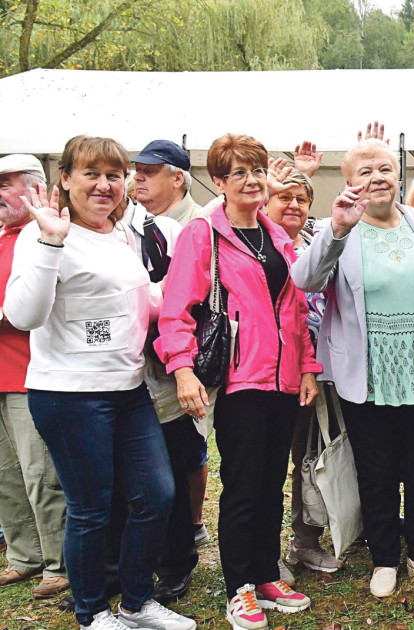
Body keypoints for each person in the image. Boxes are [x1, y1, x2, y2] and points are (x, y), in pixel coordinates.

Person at [5, 136, 194, 630]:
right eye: (91, 174)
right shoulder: (41, 235)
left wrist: (185, 296)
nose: (105, 185)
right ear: (64, 179)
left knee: (156, 495)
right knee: (91, 509)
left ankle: (136, 603)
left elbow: (135, 301)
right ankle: (91, 613)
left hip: (128, 390)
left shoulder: (121, 236)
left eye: (114, 175)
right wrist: (50, 241)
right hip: (69, 395)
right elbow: (24, 314)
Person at [157, 134, 320, 630]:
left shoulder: (276, 235)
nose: (251, 181)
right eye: (238, 173)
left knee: (274, 484)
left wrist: (308, 366)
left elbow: (293, 311)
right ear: (221, 182)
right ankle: (239, 588)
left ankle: (266, 573)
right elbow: (176, 310)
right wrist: (182, 369)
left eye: (256, 171)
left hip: (284, 379)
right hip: (237, 379)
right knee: (244, 486)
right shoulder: (203, 234)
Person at [292, 138, 414, 598]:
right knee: (375, 469)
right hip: (369, 369)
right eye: (365, 172)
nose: (376, 177)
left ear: (398, 174)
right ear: (349, 182)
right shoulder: (338, 225)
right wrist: (338, 231)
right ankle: (384, 557)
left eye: (384, 168)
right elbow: (305, 280)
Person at [126, 140, 214, 604]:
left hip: (174, 367)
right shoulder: (125, 225)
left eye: (149, 171)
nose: (137, 179)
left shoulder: (200, 223)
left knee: (180, 463)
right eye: (135, 171)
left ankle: (177, 559)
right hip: (126, 369)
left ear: (178, 176)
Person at [260, 168, 343, 582]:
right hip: (273, 373)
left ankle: (306, 542)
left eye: (303, 199)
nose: (294, 205)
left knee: (310, 459)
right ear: (266, 201)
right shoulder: (255, 245)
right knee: (270, 465)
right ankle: (264, 553)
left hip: (321, 371)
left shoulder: (316, 245)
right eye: (285, 197)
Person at [0, 153, 69, 600]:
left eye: (5, 183)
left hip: (28, 371)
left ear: (34, 188)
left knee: (40, 473)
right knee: (5, 472)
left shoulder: (42, 235)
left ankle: (59, 561)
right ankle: (23, 556)